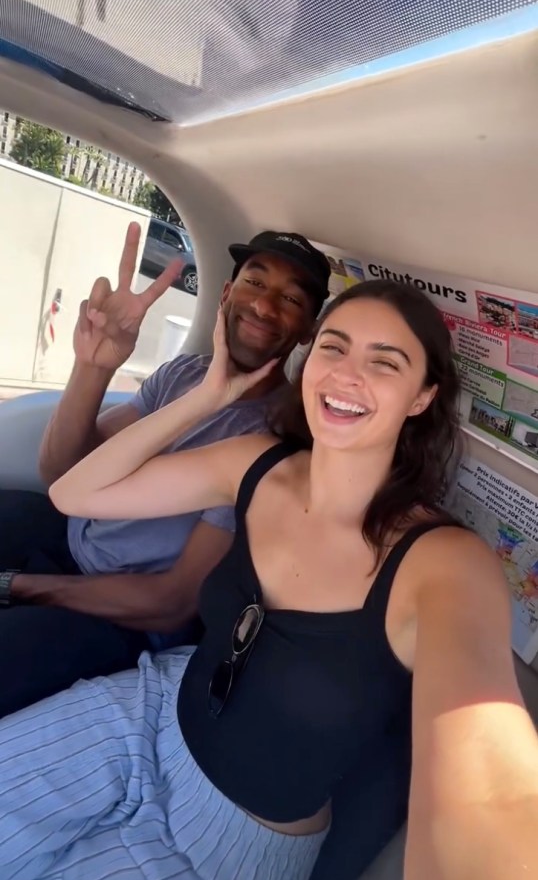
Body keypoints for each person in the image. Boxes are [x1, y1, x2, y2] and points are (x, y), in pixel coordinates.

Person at [1, 279, 537, 880]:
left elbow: (492, 791)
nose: (347, 374)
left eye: (384, 362)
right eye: (334, 348)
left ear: (422, 397)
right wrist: (209, 396)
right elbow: (75, 493)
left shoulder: (445, 562)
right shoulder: (257, 462)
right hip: (144, 712)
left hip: (227, 843)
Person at [0, 225, 330, 715]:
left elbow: (173, 601)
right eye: (255, 283)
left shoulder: (277, 441)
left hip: (123, 617)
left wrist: (19, 588)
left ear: (308, 330)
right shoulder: (183, 374)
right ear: (225, 294)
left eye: (291, 299)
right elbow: (64, 473)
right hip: (66, 542)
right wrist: (93, 367)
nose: (264, 305)